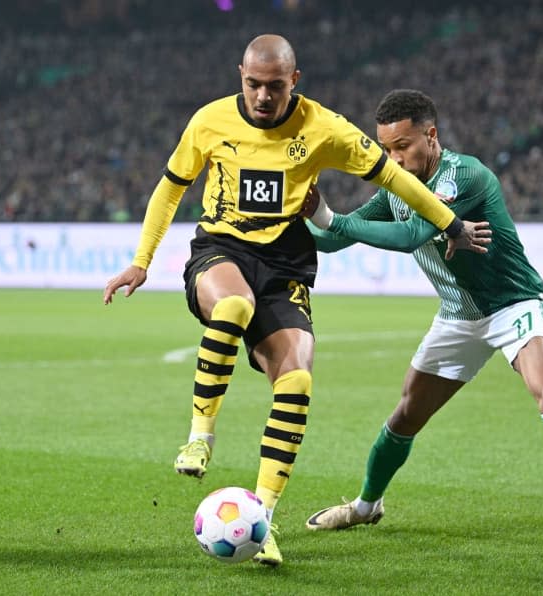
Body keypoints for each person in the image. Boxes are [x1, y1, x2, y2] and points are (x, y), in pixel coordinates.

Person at [102, 35, 487, 567]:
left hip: (285, 266)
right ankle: (200, 437)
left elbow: (396, 178)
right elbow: (170, 187)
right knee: (233, 308)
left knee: (297, 382)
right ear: (240, 75)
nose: (262, 96)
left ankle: (259, 520)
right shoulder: (210, 121)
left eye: (275, 86)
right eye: (253, 84)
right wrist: (142, 260)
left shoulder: (324, 129)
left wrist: (450, 223)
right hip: (221, 250)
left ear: (294, 81)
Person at [303, 89, 543, 561]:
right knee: (405, 415)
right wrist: (298, 213)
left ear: (431, 135)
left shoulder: (464, 175)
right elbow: (330, 241)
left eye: (402, 146)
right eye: (386, 149)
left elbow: (412, 233)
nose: (393, 158)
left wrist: (331, 218)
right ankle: (366, 506)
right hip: (458, 316)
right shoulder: (395, 187)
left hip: (514, 305)